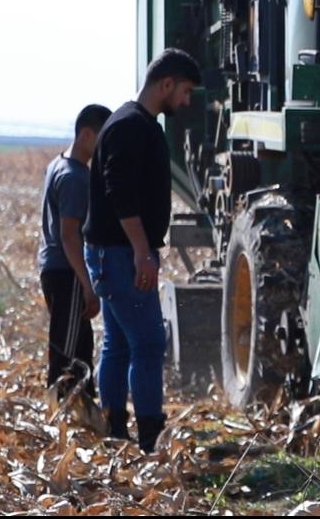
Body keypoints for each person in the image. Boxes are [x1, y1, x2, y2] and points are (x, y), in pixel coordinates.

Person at [84, 48, 200, 452]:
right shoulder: (131, 126)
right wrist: (140, 250)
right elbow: (120, 193)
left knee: (118, 342)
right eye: (184, 92)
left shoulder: (135, 123)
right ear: (165, 84)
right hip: (118, 254)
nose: (185, 101)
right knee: (149, 342)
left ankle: (115, 432)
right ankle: (149, 437)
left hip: (113, 252)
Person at [38, 104, 111, 399]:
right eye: (101, 138)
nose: (104, 146)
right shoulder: (73, 178)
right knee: (66, 357)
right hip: (67, 272)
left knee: (81, 348)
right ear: (85, 134)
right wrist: (87, 285)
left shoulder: (58, 164)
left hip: (57, 268)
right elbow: (69, 236)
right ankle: (59, 420)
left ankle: (85, 416)